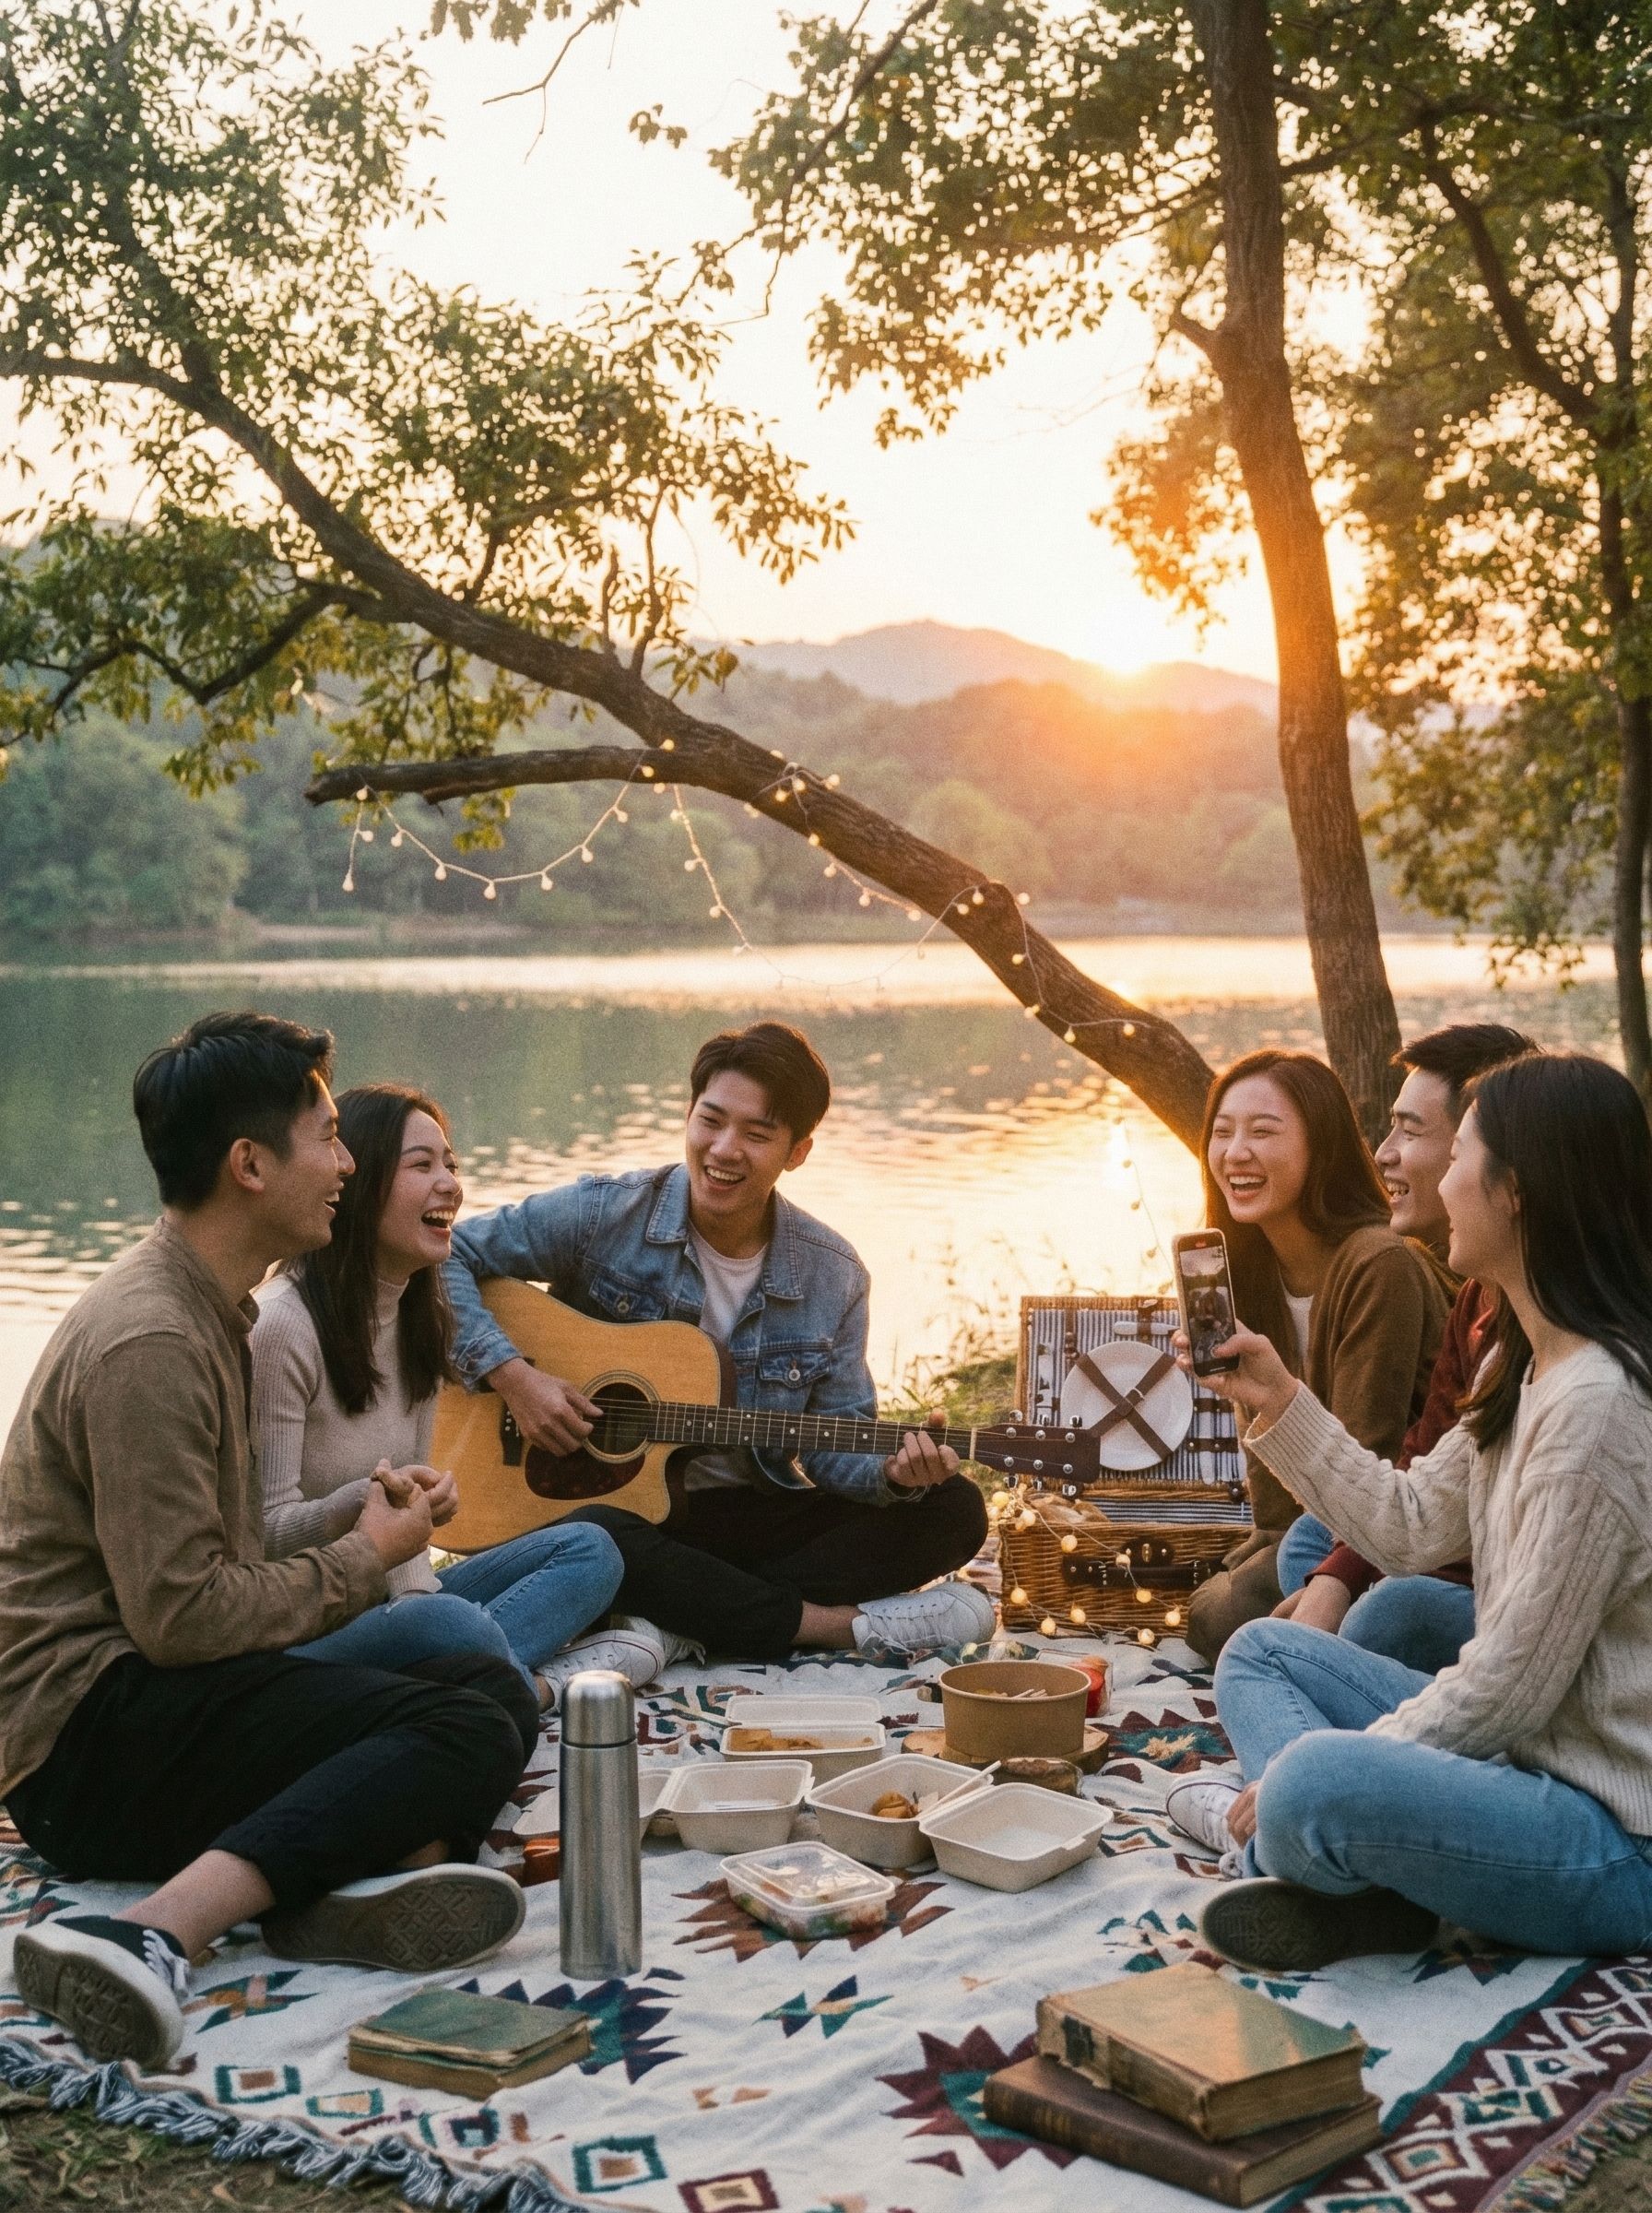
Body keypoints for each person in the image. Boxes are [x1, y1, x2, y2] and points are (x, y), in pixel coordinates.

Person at [2, 1015, 533, 2071]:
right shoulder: (153, 1339)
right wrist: (367, 1556)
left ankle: (322, 1897)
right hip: (84, 1741)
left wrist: (355, 1521)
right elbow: (183, 1619)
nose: (347, 1164)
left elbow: (224, 1568)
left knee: (483, 1682)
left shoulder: (214, 1311)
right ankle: (154, 1927)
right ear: (249, 1165)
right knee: (466, 1729)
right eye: (328, 1138)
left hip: (154, 1689)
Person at [1183, 1050, 1652, 1973]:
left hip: (1612, 1839)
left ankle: (1288, 1843)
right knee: (1261, 1652)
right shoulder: (1519, 1363)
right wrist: (1276, 1398)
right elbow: (1402, 1524)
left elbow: (1509, 1688)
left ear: (1516, 1191)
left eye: (1460, 1152)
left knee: (1314, 1776)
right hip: (1527, 1765)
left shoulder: (1597, 1406)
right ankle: (1363, 1877)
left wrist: (1316, 1774)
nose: (1434, 1173)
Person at [443, 1021, 993, 1668]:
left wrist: (896, 1477)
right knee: (600, 1540)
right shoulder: (604, 1212)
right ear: (689, 1114)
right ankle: (832, 1627)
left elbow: (836, 1443)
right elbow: (444, 1255)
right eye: (711, 1121)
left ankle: (677, 1619)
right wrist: (514, 1377)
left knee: (955, 1509)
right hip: (610, 1512)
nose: (724, 1149)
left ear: (798, 1151)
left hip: (749, 1517)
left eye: (757, 1135)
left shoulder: (833, 1275)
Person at [253, 1084, 626, 1709]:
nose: (450, 1183)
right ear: (360, 1181)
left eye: (450, 1163)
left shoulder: (421, 1317)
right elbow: (259, 1538)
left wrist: (424, 1511)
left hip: (393, 1603)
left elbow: (409, 1559)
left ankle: (471, 1671)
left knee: (590, 1549)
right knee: (448, 1627)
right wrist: (359, 1508)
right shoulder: (283, 1328)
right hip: (301, 1630)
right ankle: (522, 1686)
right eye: (422, 1165)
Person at [1271, 1024, 1533, 1664]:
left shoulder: (1560, 1334)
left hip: (1507, 1597)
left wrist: (1346, 1592)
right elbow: (1422, 1469)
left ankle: (1348, 1679)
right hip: (1438, 1545)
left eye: (1410, 1131)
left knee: (1390, 1610)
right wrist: (1333, 1580)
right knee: (1308, 1549)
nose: (1382, 1153)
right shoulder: (1477, 1297)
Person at [1183, 1050, 1448, 1664]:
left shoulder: (1379, 1262)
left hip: (1396, 1534)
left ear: (1321, 1147)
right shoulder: (1247, 1271)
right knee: (1235, 1585)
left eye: (1263, 1132)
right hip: (1313, 1529)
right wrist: (1266, 1543)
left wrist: (1277, 1560)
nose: (1235, 1152)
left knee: (1213, 1615)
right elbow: (1276, 1501)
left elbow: (1370, 1453)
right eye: (1222, 1133)